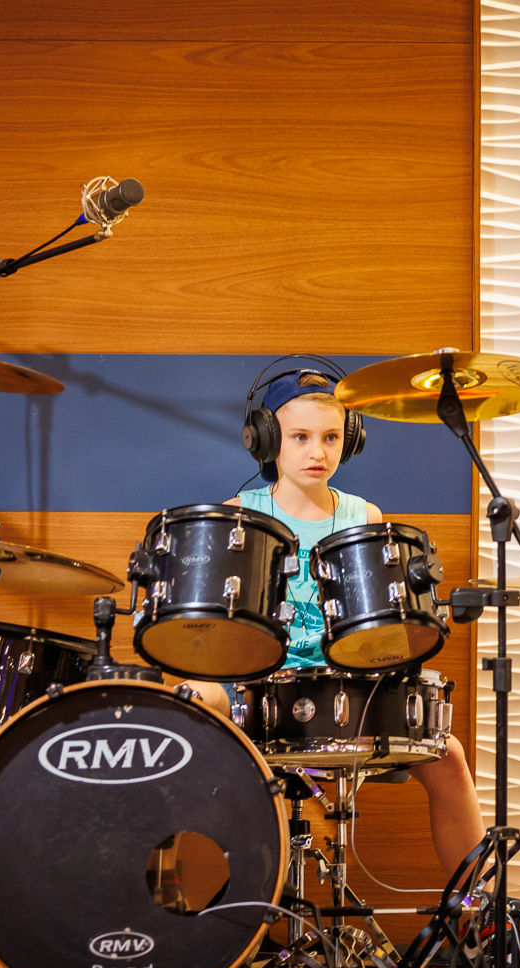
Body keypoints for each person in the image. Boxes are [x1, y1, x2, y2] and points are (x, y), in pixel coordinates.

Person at [191, 368, 486, 879]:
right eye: (300, 437)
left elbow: (382, 627)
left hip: (345, 692)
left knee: (448, 756)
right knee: (191, 704)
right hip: (257, 691)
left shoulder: (363, 515)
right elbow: (218, 632)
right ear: (266, 439)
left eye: (331, 438)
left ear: (350, 440)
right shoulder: (239, 514)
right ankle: (201, 904)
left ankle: (477, 906)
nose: (318, 452)